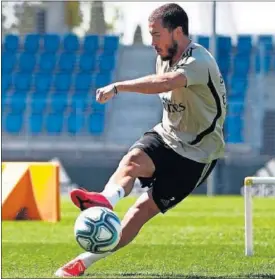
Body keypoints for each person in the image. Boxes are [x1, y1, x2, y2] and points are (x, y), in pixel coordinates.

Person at [55, 3, 227, 277]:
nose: (152, 42)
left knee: (139, 211)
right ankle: (105, 201)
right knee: (132, 160)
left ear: (177, 32)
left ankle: (84, 261)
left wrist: (118, 86)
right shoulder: (163, 56)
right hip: (167, 135)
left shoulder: (199, 61)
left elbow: (165, 84)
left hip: (197, 154)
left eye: (157, 34)